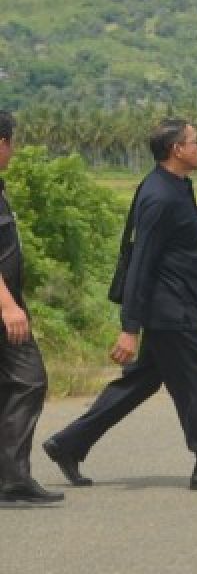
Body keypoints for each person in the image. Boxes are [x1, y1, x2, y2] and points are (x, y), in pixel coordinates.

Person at [42, 119, 197, 492]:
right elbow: (142, 262)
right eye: (196, 142)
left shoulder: (176, 186)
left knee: (138, 383)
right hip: (174, 312)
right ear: (177, 150)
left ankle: (69, 444)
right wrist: (130, 327)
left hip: (176, 307)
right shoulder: (160, 195)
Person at [0, 110, 63, 507]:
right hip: (3, 307)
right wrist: (8, 305)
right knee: (29, 379)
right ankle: (14, 479)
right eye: (12, 143)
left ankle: (11, 477)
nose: (13, 152)